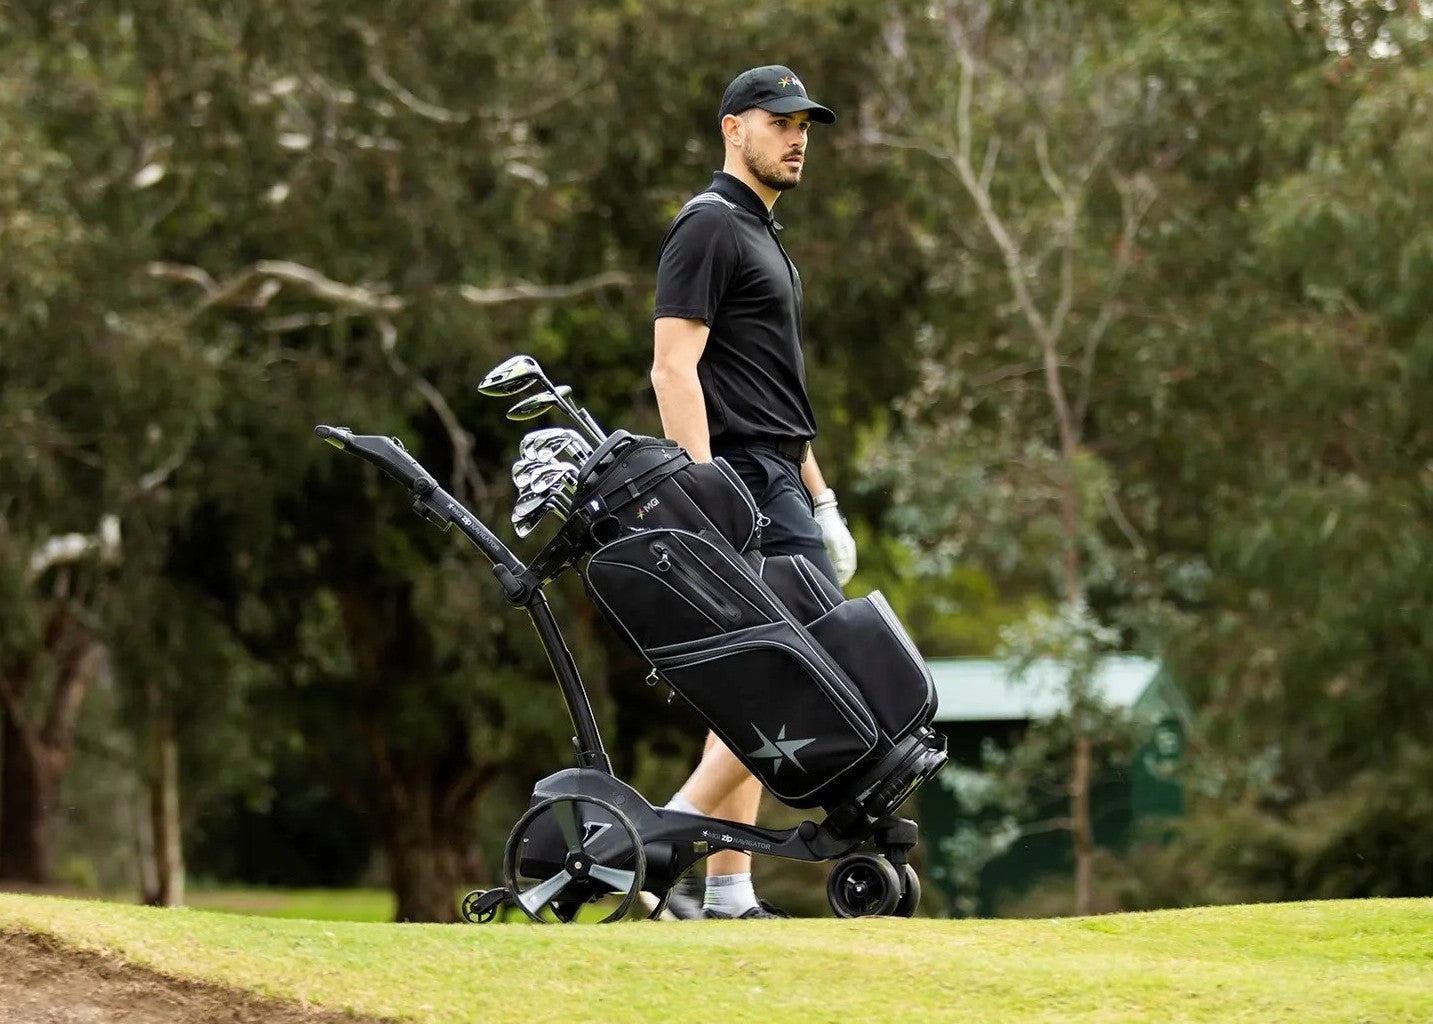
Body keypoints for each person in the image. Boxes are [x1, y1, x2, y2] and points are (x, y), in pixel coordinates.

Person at [648, 65, 858, 920]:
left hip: (777, 475)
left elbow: (776, 397)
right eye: (780, 122)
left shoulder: (762, 235)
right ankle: (665, 833)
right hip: (736, 481)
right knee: (804, 668)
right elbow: (672, 367)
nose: (797, 136)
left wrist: (822, 498)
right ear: (734, 129)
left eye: (805, 123)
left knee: (755, 681)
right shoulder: (706, 228)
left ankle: (728, 888)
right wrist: (704, 490)